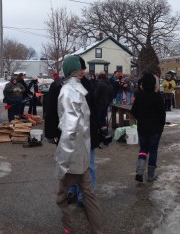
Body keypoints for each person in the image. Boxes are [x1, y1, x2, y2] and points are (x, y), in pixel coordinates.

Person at [54, 55, 103, 234]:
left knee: (61, 199)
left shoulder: (67, 91)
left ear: (66, 69)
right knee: (89, 196)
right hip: (83, 154)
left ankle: (71, 229)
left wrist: (62, 163)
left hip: (72, 158)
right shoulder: (82, 89)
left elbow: (69, 130)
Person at [132, 71, 167, 182]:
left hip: (142, 127)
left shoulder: (139, 96)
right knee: (153, 150)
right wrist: (161, 125)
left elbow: (133, 111)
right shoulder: (157, 97)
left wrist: (140, 118)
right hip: (155, 129)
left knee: (143, 149)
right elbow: (162, 113)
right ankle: (151, 175)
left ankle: (140, 171)